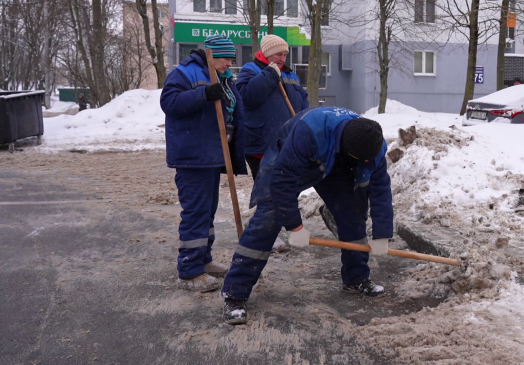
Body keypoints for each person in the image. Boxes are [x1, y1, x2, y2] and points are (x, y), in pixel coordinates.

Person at [220, 106, 393, 325]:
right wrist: (295, 226)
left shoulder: (373, 146)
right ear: (352, 152)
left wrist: (382, 234)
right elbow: (282, 182)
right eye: (362, 160)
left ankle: (356, 278)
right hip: (293, 160)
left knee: (353, 215)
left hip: (337, 164)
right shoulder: (309, 132)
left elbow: (380, 191)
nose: (368, 163)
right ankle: (235, 294)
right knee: (268, 218)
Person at [160, 34, 247, 293]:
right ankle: (189, 272)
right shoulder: (186, 73)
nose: (229, 64)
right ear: (212, 55)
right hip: (193, 157)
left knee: (207, 213)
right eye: (226, 59)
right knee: (196, 213)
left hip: (212, 156)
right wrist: (203, 94)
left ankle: (204, 260)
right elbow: (169, 103)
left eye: (232, 59)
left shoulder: (224, 78)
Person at [236, 34, 308, 179]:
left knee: (284, 185)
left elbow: (303, 102)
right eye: (278, 54)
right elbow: (247, 98)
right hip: (261, 143)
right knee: (267, 187)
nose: (282, 59)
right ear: (267, 53)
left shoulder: (291, 75)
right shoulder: (250, 70)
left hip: (288, 142)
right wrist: (269, 74)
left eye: (285, 55)